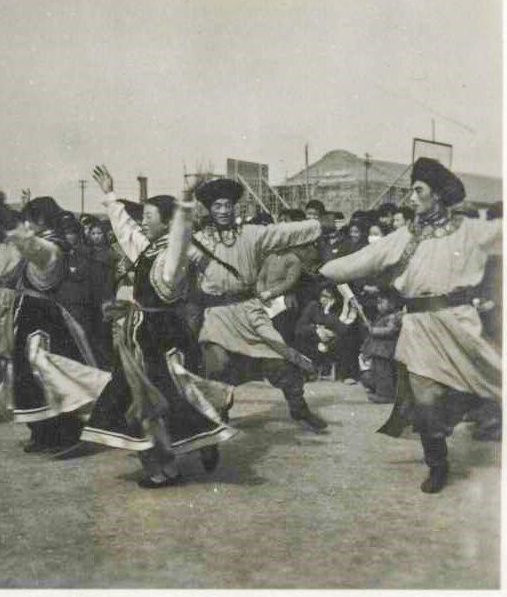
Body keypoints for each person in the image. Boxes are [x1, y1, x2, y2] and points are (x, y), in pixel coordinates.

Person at [320, 157, 502, 493]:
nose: (412, 198)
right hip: (418, 328)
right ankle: (437, 464)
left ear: (438, 194)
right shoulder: (404, 236)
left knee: (492, 381)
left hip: (460, 323)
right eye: (411, 191)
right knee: (425, 398)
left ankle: (480, 414)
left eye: (418, 190)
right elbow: (359, 261)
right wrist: (321, 271)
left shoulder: (469, 230)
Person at [81, 166, 237, 487]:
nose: (143, 221)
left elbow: (181, 233)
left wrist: (186, 199)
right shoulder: (149, 249)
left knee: (156, 398)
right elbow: (126, 231)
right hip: (143, 334)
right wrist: (109, 195)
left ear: (167, 222)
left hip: (161, 336)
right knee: (149, 399)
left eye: (149, 216)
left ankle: (171, 461)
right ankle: (171, 460)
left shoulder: (172, 258)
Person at [192, 177, 327, 431]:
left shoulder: (251, 234)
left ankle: (299, 408)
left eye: (227, 205)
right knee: (217, 365)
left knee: (280, 359)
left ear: (234, 207)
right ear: (209, 209)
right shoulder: (199, 241)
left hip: (250, 311)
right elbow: (173, 259)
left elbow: (282, 233)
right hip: (217, 316)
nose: (223, 211)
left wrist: (314, 225)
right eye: (217, 206)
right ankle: (217, 420)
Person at [7, 196, 112, 453]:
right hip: (33, 316)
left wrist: (4, 217)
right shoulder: (49, 243)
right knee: (32, 374)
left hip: (42, 319)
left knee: (49, 373)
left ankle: (65, 433)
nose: (27, 225)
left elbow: (30, 246)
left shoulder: (52, 247)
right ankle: (43, 432)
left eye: (29, 220)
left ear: (41, 220)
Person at [360, 288, 403, 403]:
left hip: (386, 350)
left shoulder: (394, 316)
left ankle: (385, 394)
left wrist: (373, 330)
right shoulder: (382, 316)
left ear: (392, 303)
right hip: (378, 350)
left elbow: (390, 330)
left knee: (384, 373)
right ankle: (379, 390)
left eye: (381, 302)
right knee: (377, 372)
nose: (378, 306)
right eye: (378, 303)